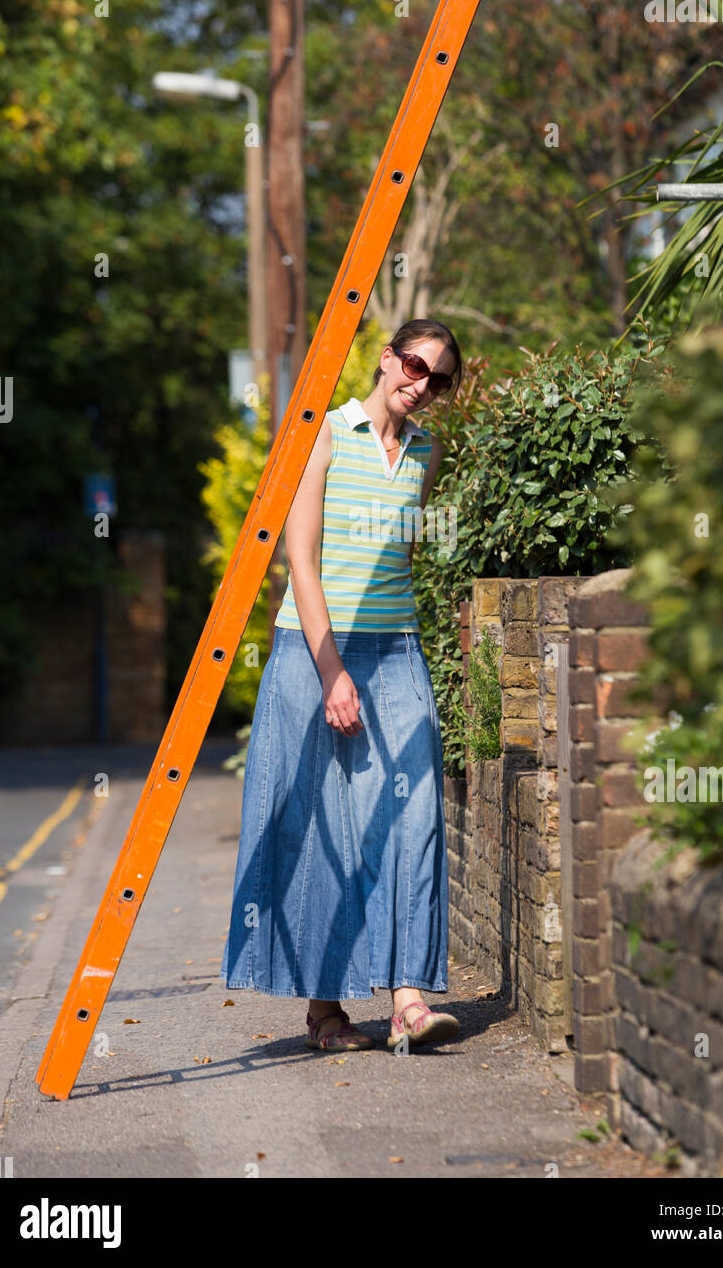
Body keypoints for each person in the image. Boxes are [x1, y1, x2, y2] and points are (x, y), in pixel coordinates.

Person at [219, 318, 464, 1053]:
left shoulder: (427, 453)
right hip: (312, 648)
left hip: (398, 649)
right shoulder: (323, 432)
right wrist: (333, 674)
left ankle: (409, 999)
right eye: (416, 366)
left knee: (416, 812)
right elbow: (302, 562)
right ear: (386, 358)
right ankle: (325, 1012)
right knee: (319, 822)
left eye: (440, 378)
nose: (422, 385)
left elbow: (410, 554)